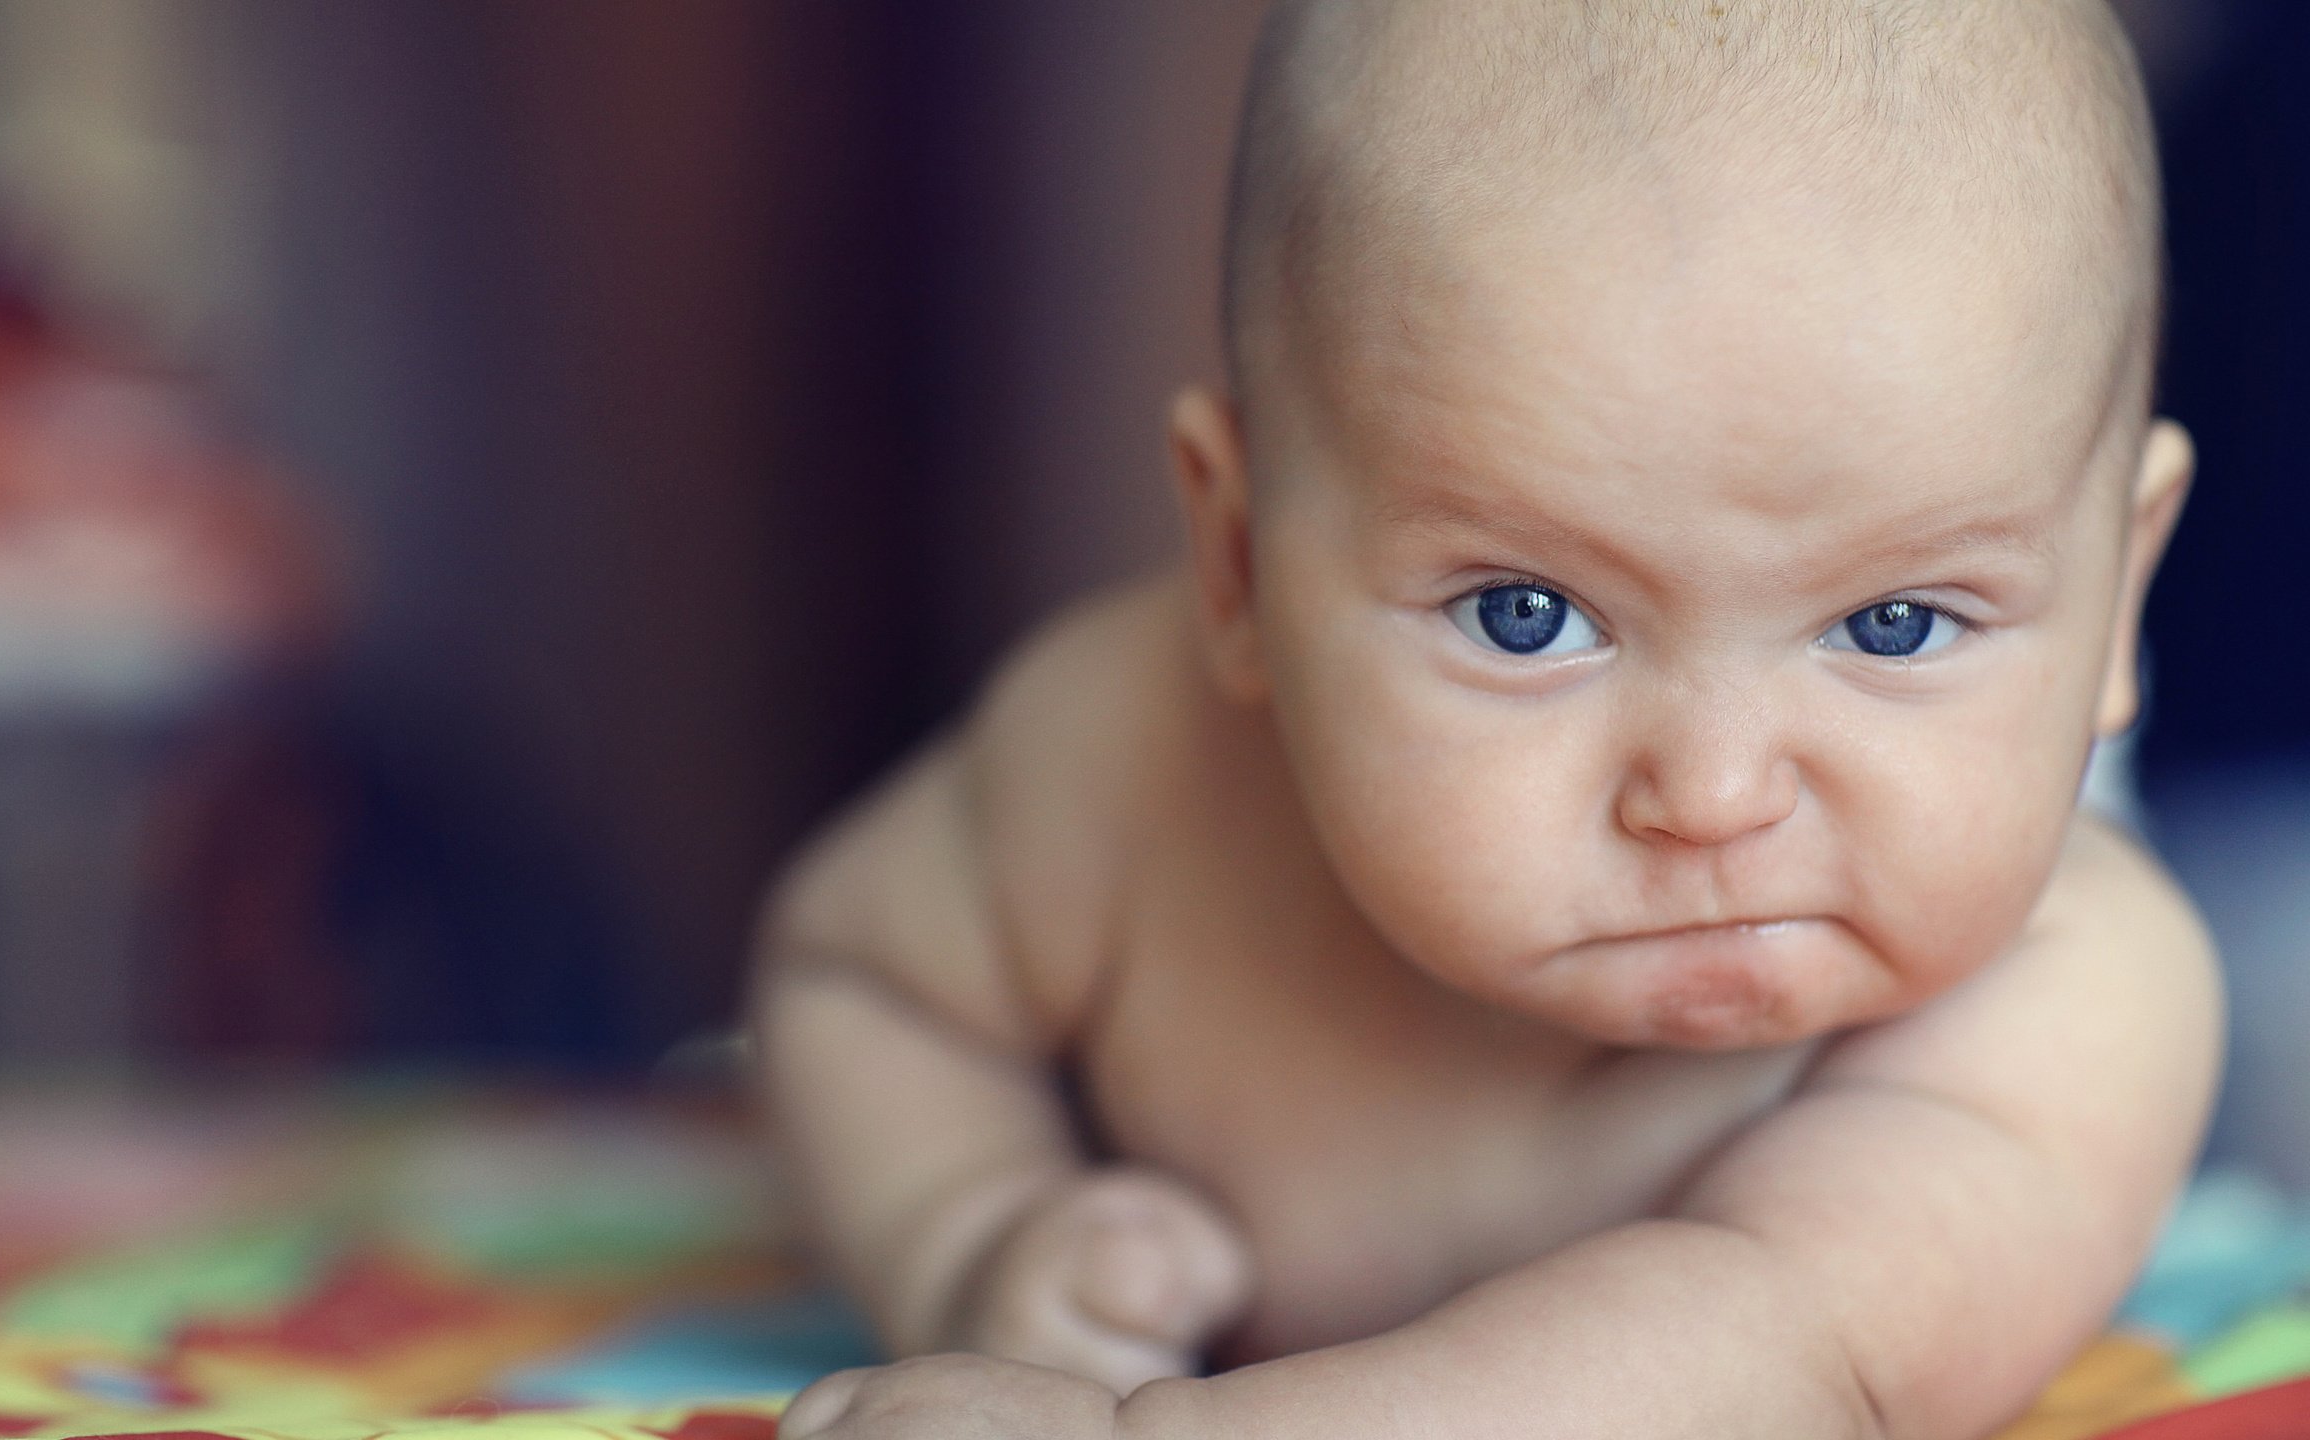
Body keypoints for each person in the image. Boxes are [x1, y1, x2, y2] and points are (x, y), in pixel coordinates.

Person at [750, 2, 2221, 1436]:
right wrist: (971, 1231)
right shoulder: (1132, 767)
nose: (1712, 795)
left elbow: (1771, 1349)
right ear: (1241, 561)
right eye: (1529, 615)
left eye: (1896, 623)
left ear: (2120, 586)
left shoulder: (2065, 999)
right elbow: (858, 975)